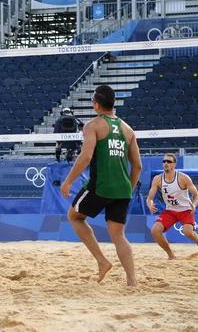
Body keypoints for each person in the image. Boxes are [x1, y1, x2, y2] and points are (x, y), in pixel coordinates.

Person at [61, 84, 142, 287]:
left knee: (74, 216)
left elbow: (86, 157)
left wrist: (69, 181)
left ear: (96, 105)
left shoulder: (93, 125)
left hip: (101, 185)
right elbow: (138, 166)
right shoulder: (128, 129)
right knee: (118, 236)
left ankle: (102, 261)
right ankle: (132, 281)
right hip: (123, 188)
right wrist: (128, 190)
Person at [147, 153, 198, 259]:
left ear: (174, 164)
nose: (166, 163)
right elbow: (149, 198)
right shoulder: (157, 179)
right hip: (170, 210)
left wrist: (194, 205)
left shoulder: (183, 178)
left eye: (169, 161)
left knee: (187, 232)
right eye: (164, 161)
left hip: (185, 210)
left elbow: (197, 196)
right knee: (155, 230)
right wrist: (150, 205)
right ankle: (171, 255)